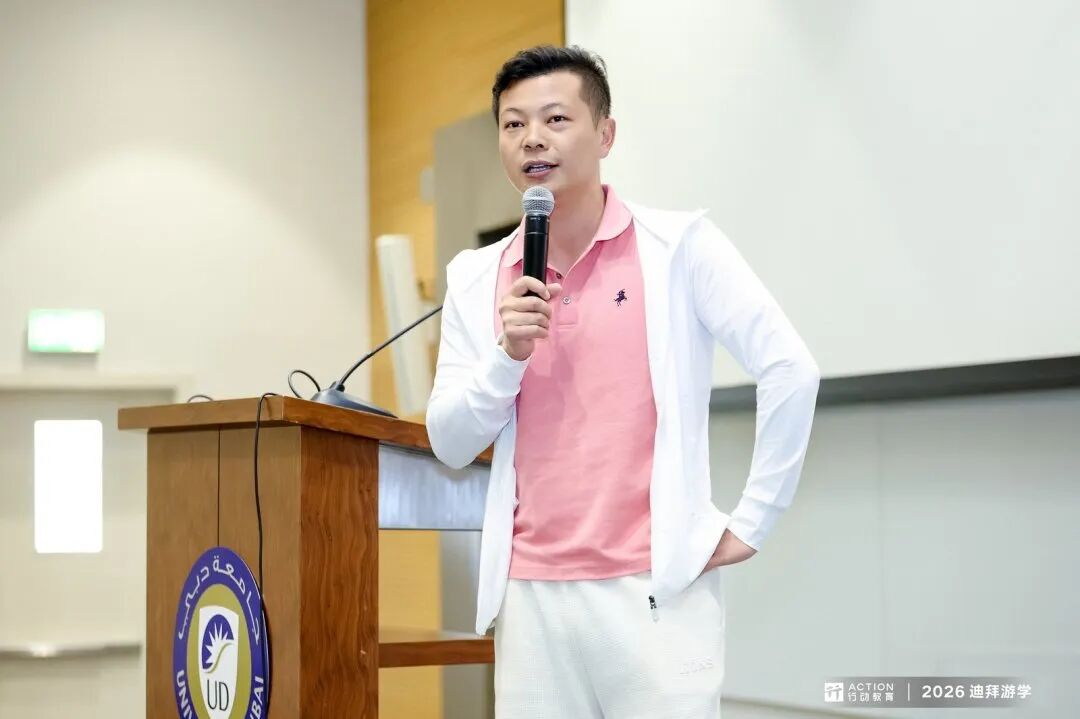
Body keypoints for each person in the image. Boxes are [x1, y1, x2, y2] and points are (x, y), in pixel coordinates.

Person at [426, 44, 820, 718]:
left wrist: (754, 520)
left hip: (653, 592)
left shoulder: (679, 246)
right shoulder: (475, 276)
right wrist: (507, 355)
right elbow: (450, 441)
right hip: (530, 596)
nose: (533, 138)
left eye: (555, 118)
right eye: (514, 124)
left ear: (605, 134)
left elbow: (790, 367)